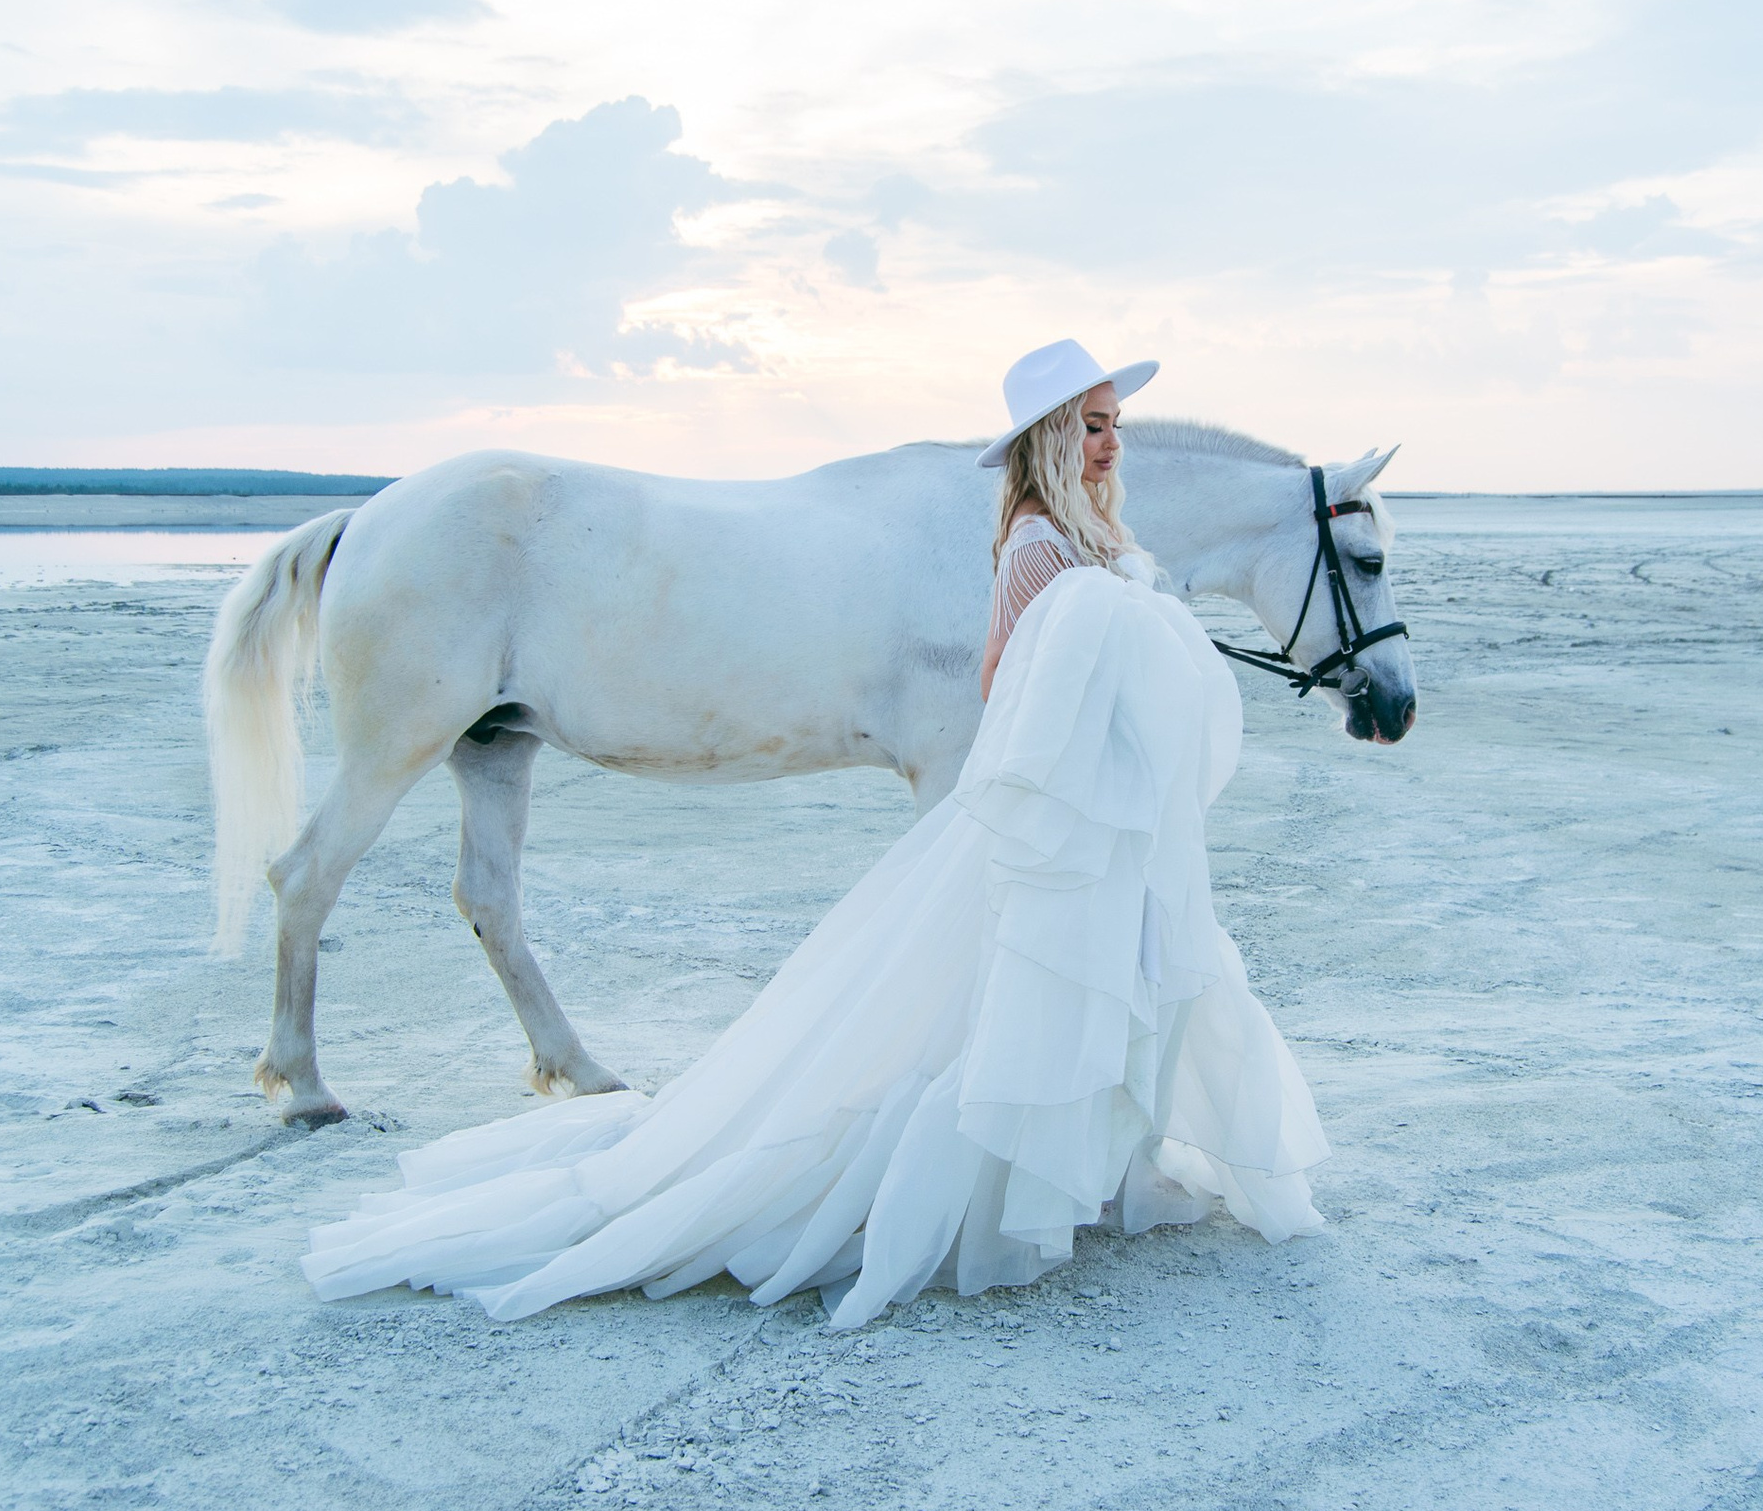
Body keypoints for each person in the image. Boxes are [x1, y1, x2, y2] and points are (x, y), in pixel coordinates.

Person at [302, 339, 1329, 1328]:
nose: (1109, 443)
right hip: (1057, 791)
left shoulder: (1096, 538)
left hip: (1100, 799)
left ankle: (1075, 1154)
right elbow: (1001, 683)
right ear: (1050, 438)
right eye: (1091, 426)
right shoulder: (1028, 543)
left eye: (1114, 425)